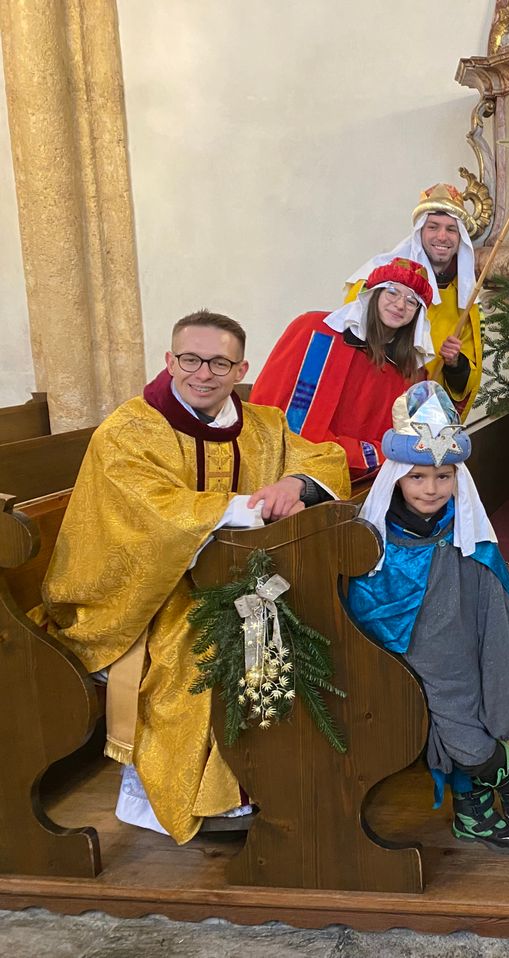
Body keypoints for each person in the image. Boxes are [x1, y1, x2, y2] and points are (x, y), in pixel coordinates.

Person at [39, 311, 351, 844]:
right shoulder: (129, 430)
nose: (202, 373)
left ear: (241, 368)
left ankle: (273, 779)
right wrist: (245, 508)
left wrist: (297, 484)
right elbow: (142, 512)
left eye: (219, 362)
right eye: (190, 359)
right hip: (144, 593)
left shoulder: (263, 425)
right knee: (197, 645)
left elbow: (324, 457)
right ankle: (184, 797)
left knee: (308, 625)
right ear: (169, 360)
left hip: (239, 579)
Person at [344, 381, 509, 854]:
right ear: (397, 479)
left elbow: (492, 605)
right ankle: (473, 814)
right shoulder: (375, 542)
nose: (431, 489)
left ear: (457, 480)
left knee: (466, 734)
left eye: (444, 476)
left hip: (458, 658)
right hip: (397, 664)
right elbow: (364, 598)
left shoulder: (467, 536)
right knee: (433, 734)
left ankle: (504, 767)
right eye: (417, 477)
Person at [251, 258, 434, 477]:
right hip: (287, 469)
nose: (400, 305)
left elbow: (407, 441)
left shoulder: (412, 373)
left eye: (412, 301)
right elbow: (280, 418)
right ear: (373, 294)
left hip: (363, 481)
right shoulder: (315, 332)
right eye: (392, 292)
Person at [347, 183, 485, 419]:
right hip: (370, 405)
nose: (442, 236)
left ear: (460, 236)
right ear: (420, 231)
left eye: (451, 229)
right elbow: (350, 339)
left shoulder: (466, 299)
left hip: (422, 415)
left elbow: (466, 381)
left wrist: (455, 363)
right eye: (433, 227)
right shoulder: (378, 280)